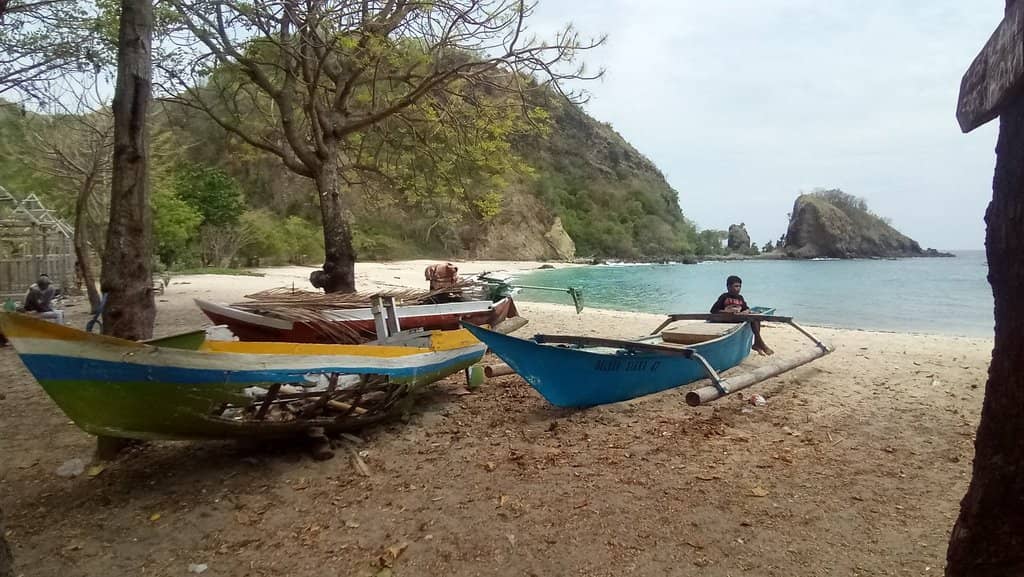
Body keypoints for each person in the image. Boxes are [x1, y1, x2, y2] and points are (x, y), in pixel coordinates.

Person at [710, 275, 772, 355]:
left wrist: (745, 312)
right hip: (726, 320)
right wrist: (727, 311)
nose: (738, 288)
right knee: (753, 318)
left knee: (755, 317)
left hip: (737, 318)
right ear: (728, 287)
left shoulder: (740, 298)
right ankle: (759, 343)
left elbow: (746, 308)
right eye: (736, 286)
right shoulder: (724, 297)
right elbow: (713, 310)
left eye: (739, 286)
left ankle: (757, 342)